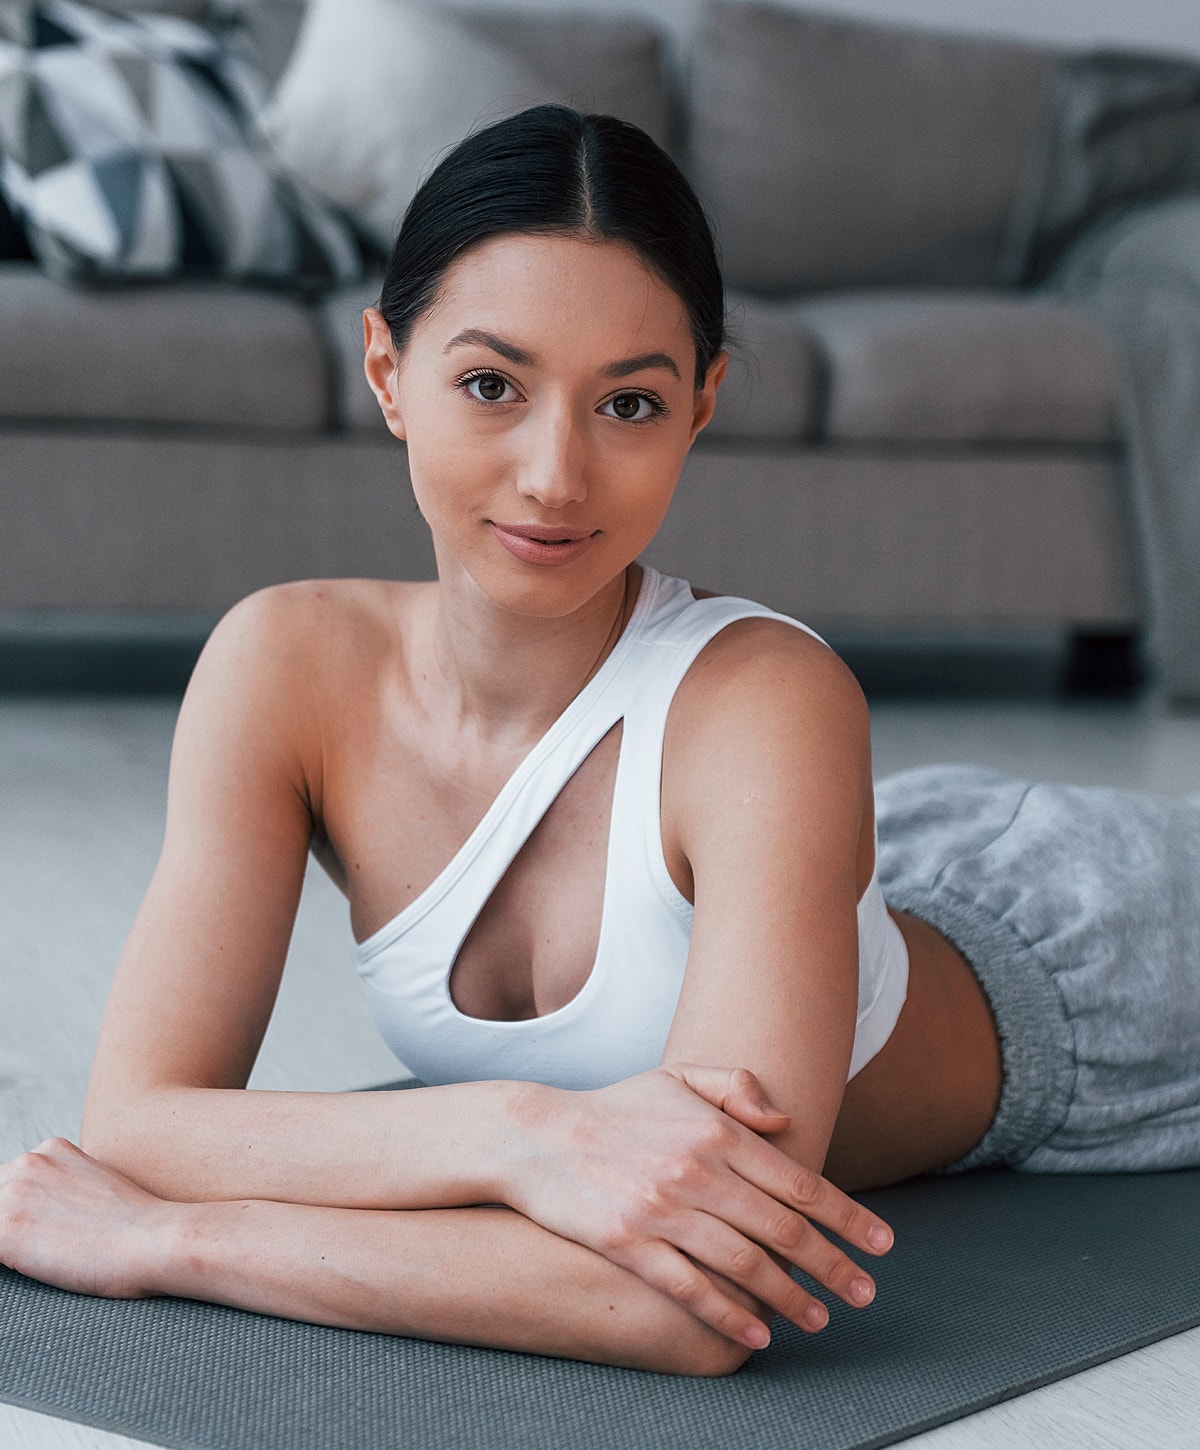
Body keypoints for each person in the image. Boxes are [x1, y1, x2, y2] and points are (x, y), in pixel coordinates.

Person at [3, 105, 1200, 1379]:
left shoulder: (771, 697)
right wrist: (526, 1135)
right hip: (868, 865)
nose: (555, 475)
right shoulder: (283, 664)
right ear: (385, 371)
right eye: (490, 385)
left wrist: (179, 1242)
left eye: (629, 401)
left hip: (1115, 966)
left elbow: (685, 1307)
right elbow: (137, 1122)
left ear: (702, 405)